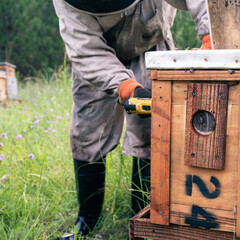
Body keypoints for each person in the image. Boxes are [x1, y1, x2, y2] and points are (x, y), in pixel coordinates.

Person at [52, 0, 211, 238]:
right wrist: (127, 88)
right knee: (86, 134)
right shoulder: (69, 6)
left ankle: (144, 215)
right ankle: (87, 217)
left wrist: (211, 35)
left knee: (153, 131)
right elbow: (86, 50)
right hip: (96, 56)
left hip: (151, 47)